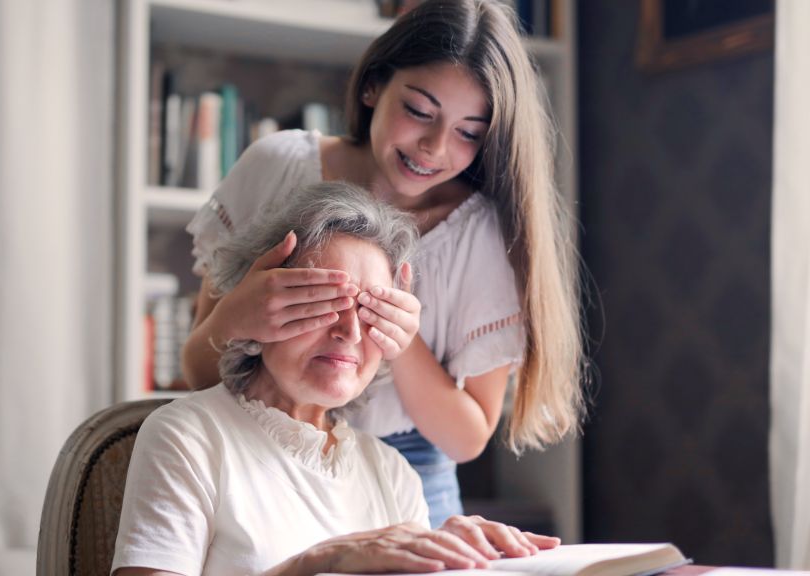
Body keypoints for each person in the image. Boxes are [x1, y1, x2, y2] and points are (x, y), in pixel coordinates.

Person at [181, 0, 585, 528]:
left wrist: (399, 337)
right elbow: (197, 372)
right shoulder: (277, 167)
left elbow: (466, 438)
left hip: (410, 475)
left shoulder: (481, 236)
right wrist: (237, 317)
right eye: (419, 110)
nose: (435, 147)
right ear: (373, 86)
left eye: (469, 131)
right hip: (261, 454)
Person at [112, 182, 559, 576]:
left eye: (372, 310)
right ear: (262, 305)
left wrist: (466, 562)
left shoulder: (392, 474)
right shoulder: (188, 438)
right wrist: (318, 562)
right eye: (322, 302)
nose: (350, 331)